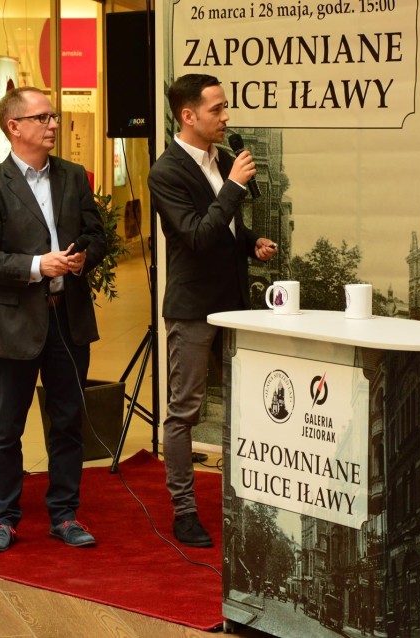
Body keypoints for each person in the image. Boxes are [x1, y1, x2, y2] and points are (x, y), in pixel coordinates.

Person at [0, 87, 106, 552]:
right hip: (15, 324)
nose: (53, 124)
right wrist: (35, 266)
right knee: (7, 428)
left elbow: (96, 235)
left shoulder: (73, 177)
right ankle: (3, 519)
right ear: (14, 127)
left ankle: (64, 515)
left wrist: (83, 259)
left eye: (53, 116)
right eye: (42, 117)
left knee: (67, 423)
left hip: (68, 320)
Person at [148, 74, 277, 547]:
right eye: (217, 109)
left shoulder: (222, 159)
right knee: (185, 410)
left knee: (244, 406)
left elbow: (225, 229)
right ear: (188, 116)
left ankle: (247, 502)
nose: (226, 117)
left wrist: (251, 242)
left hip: (234, 305)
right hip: (193, 308)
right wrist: (234, 187)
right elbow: (198, 236)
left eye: (226, 108)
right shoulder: (166, 172)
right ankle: (184, 511)